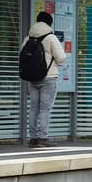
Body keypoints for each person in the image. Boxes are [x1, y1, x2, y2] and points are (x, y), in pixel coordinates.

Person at [24, 10, 67, 147]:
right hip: (48, 77)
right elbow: (61, 57)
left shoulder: (28, 38)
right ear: (49, 23)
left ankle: (33, 138)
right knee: (45, 109)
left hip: (32, 77)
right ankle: (43, 138)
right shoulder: (50, 37)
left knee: (34, 108)